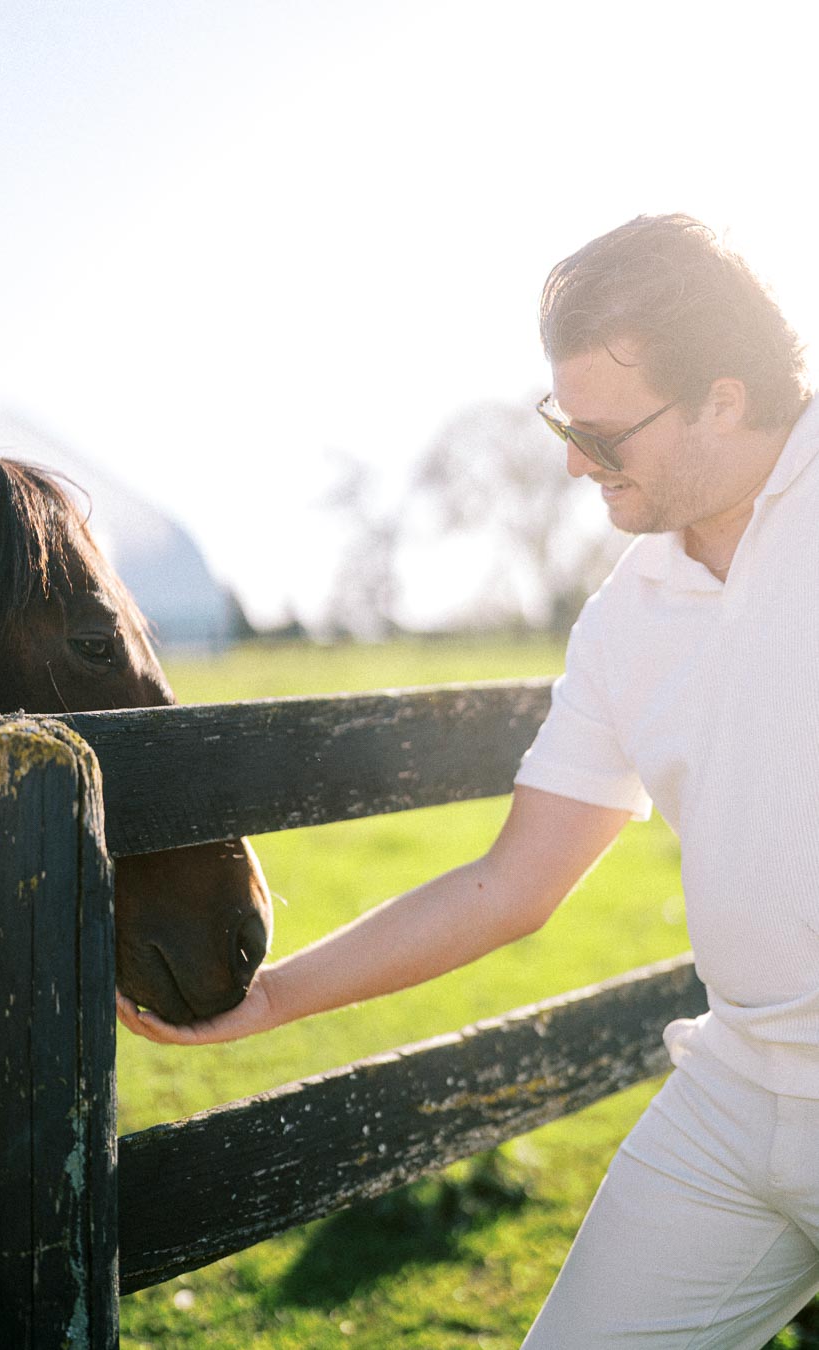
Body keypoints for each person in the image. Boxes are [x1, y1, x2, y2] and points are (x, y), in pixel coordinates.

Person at [118, 214, 819, 1347]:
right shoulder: (627, 618)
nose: (576, 460)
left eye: (605, 432)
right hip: (735, 1098)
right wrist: (275, 999)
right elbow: (513, 884)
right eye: (562, 423)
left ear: (725, 401)